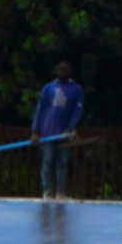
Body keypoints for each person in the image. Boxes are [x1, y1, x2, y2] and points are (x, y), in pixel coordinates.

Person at [33, 61, 84, 201]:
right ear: (57, 71)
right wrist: (35, 131)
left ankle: (61, 192)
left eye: (66, 70)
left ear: (70, 71)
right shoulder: (48, 88)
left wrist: (70, 127)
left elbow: (77, 110)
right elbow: (40, 109)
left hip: (64, 133)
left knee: (62, 162)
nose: (63, 72)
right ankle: (47, 191)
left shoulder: (76, 90)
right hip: (47, 133)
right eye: (61, 69)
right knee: (47, 161)